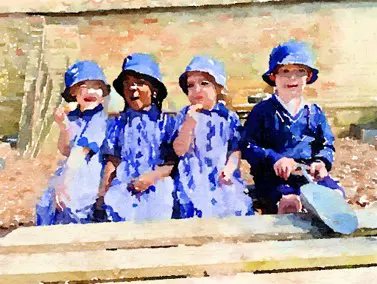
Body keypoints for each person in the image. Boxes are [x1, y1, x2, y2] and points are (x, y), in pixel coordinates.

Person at [241, 41, 345, 214]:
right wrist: (275, 159)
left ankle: (326, 239)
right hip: (274, 177)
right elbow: (248, 145)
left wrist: (321, 162)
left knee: (335, 196)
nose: (292, 78)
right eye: (285, 72)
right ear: (274, 76)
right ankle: (290, 238)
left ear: (308, 76)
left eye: (300, 72)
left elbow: (326, 143)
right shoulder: (263, 111)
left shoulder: (314, 112)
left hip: (308, 174)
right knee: (290, 204)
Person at [173, 56, 253, 218]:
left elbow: (235, 149)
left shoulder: (228, 117)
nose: (197, 90)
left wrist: (229, 169)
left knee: (231, 203)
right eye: (191, 85)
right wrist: (189, 124)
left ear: (218, 87)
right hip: (194, 177)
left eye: (204, 83)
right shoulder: (184, 115)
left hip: (221, 175)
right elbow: (179, 150)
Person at [100, 53, 176, 222]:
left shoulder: (166, 123)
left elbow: (172, 163)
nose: (132, 88)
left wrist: (152, 177)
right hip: (125, 188)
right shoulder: (118, 123)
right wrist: (102, 196)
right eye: (127, 84)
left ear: (154, 89)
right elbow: (113, 162)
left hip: (158, 186)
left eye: (140, 83)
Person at [36, 60, 110, 225]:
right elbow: (65, 149)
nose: (91, 91)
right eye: (84, 86)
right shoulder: (75, 116)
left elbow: (79, 153)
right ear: (74, 92)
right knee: (45, 205)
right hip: (70, 169)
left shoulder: (98, 119)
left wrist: (64, 184)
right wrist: (63, 127)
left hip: (87, 174)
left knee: (72, 206)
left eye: (97, 86)